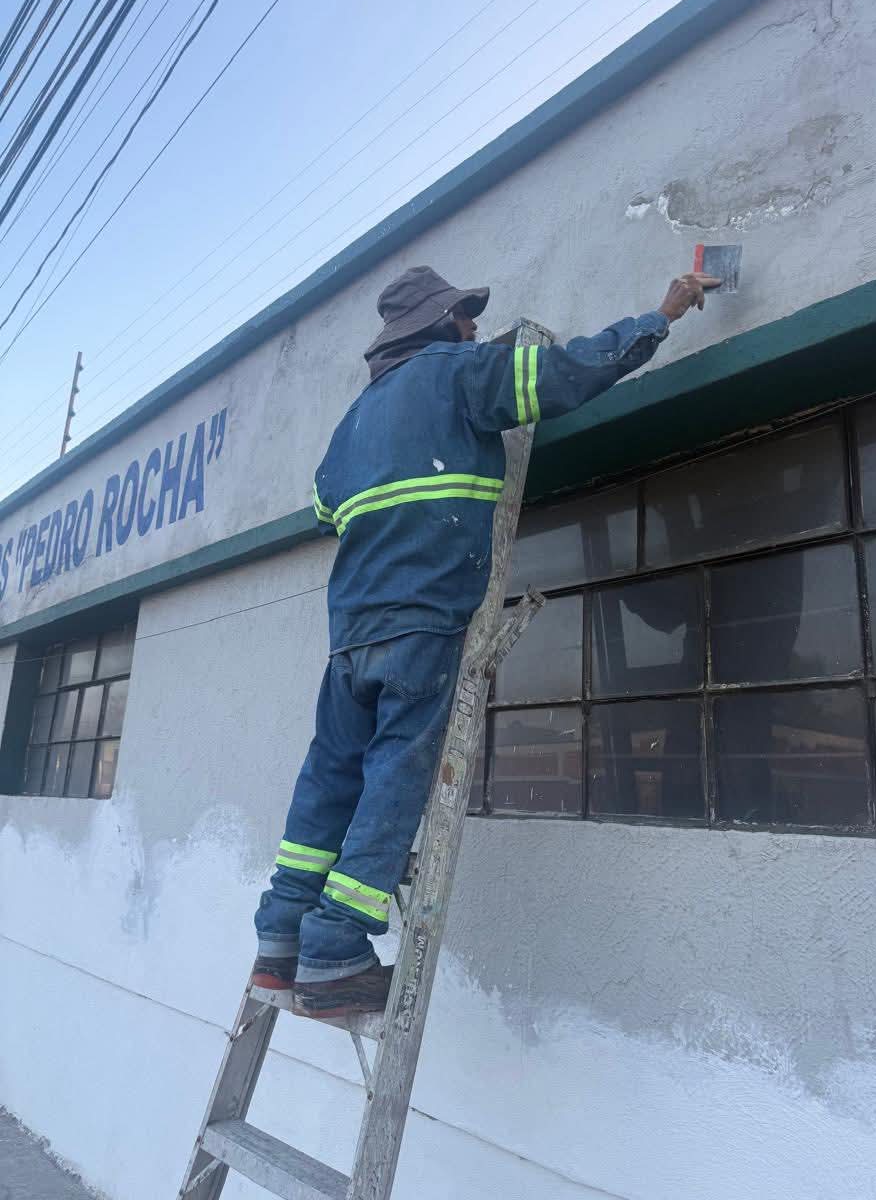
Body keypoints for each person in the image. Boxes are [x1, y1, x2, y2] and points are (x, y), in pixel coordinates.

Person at [253, 263, 718, 1018]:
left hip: (350, 635)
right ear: (440, 324)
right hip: (422, 618)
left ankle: (279, 940)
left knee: (330, 774)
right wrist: (658, 316)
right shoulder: (459, 373)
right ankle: (335, 947)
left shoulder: (351, 422)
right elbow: (565, 375)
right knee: (396, 773)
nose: (473, 326)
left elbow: (325, 509)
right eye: (465, 316)